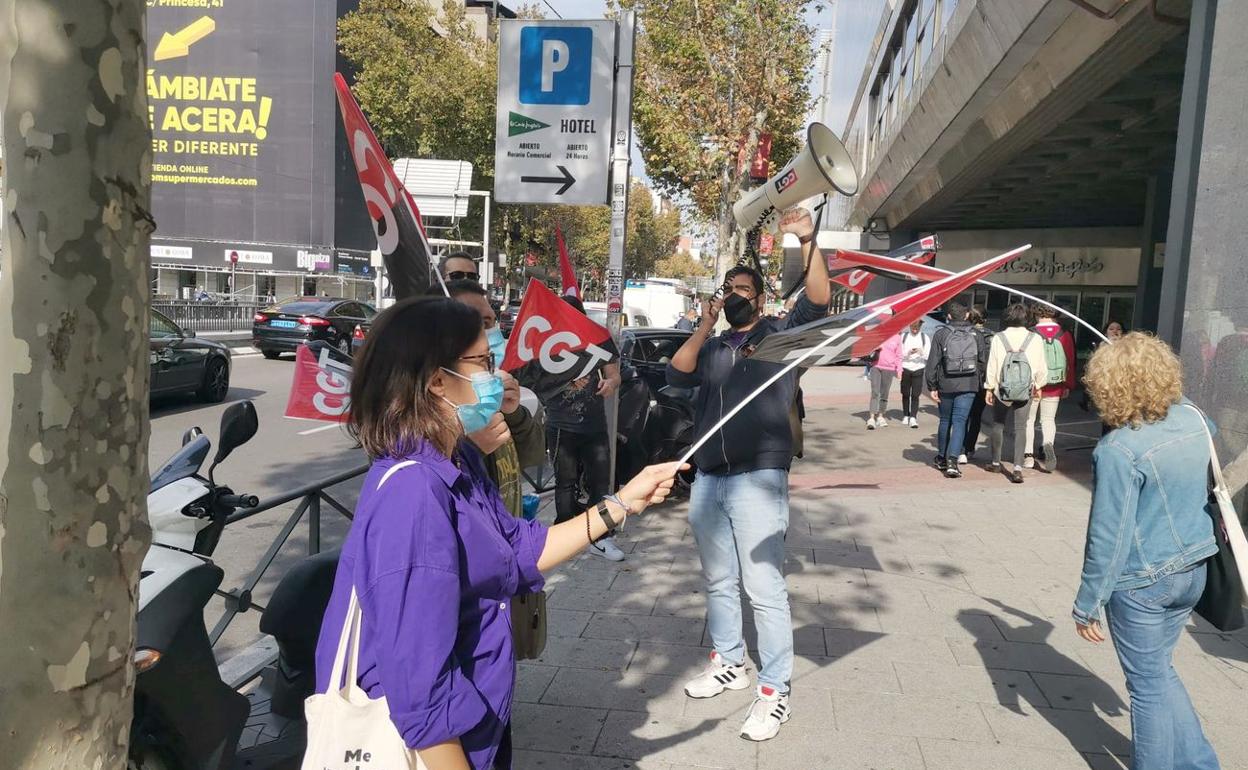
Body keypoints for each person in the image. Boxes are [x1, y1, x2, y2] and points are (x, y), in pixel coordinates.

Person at [313, 296, 683, 770]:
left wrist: (622, 502)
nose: (498, 375)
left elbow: (518, 548)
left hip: (481, 725)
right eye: (484, 362)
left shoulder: (455, 458)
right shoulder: (414, 494)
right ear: (437, 381)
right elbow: (421, 696)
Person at [667, 206, 831, 742]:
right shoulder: (714, 346)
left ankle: (775, 688)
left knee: (763, 587)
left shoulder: (781, 337)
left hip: (758, 477)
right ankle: (731, 661)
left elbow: (819, 301)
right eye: (727, 287)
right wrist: (706, 324)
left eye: (742, 288)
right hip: (710, 475)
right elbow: (678, 371)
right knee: (717, 579)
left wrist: (807, 242)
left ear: (759, 297)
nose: (733, 293)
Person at [1073, 333, 1221, 770]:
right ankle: (1199, 763)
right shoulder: (1194, 419)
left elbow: (1109, 535)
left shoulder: (1119, 449)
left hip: (1143, 582)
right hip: (1194, 567)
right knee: (1159, 672)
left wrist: (1087, 603)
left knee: (1146, 688)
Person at [428, 280, 544, 516]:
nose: (488, 334)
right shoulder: (419, 425)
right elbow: (435, 509)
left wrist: (514, 413)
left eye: (490, 321)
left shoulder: (489, 396)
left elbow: (533, 455)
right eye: (476, 323)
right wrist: (471, 448)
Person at [541, 295, 626, 561]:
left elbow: (614, 374)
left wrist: (610, 383)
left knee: (601, 483)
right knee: (564, 483)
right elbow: (535, 382)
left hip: (594, 425)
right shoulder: (547, 344)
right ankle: (565, 534)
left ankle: (601, 537)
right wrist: (564, 385)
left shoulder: (596, 338)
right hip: (560, 426)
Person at [984, 302, 1047, 483]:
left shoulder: (999, 337)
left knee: (998, 425)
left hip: (1002, 389)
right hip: (1026, 389)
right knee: (1021, 427)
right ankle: (1018, 468)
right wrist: (1039, 385)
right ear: (1026, 318)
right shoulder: (1034, 338)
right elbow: (1042, 366)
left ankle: (996, 462)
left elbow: (993, 365)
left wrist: (989, 387)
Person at [924, 303, 985, 478]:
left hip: (946, 383)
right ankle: (953, 461)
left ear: (948, 316)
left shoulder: (941, 333)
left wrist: (932, 386)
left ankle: (941, 458)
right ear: (966, 315)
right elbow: (982, 362)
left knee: (945, 420)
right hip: (969, 384)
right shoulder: (976, 334)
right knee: (960, 421)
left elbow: (932, 363)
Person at [1024, 307, 1076, 472]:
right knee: (1048, 419)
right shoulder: (1064, 334)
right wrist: (1068, 385)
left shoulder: (1030, 333)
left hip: (1033, 385)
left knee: (1029, 420)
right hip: (1055, 383)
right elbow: (1070, 360)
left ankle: (1028, 457)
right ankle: (1048, 446)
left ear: (1037, 314)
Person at [962, 307, 993, 460]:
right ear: (985, 320)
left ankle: (960, 448)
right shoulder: (992, 336)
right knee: (976, 416)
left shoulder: (962, 333)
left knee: (962, 416)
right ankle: (969, 447)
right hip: (983, 381)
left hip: (963, 379)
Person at [866, 332, 904, 429]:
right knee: (875, 391)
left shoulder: (897, 337)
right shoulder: (879, 334)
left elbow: (899, 356)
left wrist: (899, 370)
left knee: (884, 393)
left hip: (889, 368)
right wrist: (875, 348)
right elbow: (868, 348)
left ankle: (881, 416)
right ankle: (871, 417)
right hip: (876, 366)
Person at [899, 320, 930, 429]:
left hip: (919, 367)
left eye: (917, 327)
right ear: (909, 326)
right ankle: (906, 414)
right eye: (913, 327)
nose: (915, 329)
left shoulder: (924, 337)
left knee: (916, 394)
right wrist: (908, 353)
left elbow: (928, 355)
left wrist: (921, 352)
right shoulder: (904, 336)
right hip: (906, 367)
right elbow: (899, 354)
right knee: (905, 392)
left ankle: (913, 416)